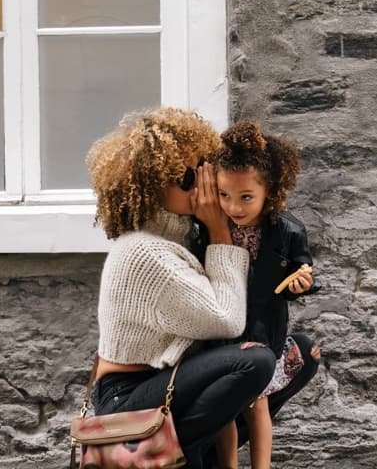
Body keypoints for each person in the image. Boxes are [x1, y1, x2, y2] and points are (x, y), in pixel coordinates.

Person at [85, 107, 277, 468]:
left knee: (297, 354)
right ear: (150, 185)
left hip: (165, 383)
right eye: (186, 177)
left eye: (205, 167)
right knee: (255, 362)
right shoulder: (144, 252)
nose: (203, 183)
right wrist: (221, 232)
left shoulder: (181, 238)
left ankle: (188, 456)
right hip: (126, 397)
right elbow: (226, 319)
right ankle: (153, 452)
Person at [197, 120, 322, 468]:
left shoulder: (287, 230)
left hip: (263, 328)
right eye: (225, 195)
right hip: (222, 329)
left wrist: (302, 283)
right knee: (226, 405)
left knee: (258, 402)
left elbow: (303, 268)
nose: (235, 206)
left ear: (270, 190)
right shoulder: (209, 227)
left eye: (246, 197)